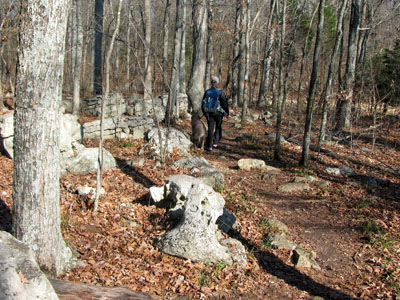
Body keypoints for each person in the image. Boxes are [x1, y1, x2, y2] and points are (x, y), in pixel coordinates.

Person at [201, 76, 229, 151]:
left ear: (211, 82)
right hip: (219, 113)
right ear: (217, 82)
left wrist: (205, 113)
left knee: (210, 128)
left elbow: (203, 103)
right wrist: (226, 112)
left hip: (209, 113)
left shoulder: (207, 92)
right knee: (218, 127)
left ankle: (209, 145)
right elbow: (224, 103)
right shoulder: (220, 92)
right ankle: (216, 142)